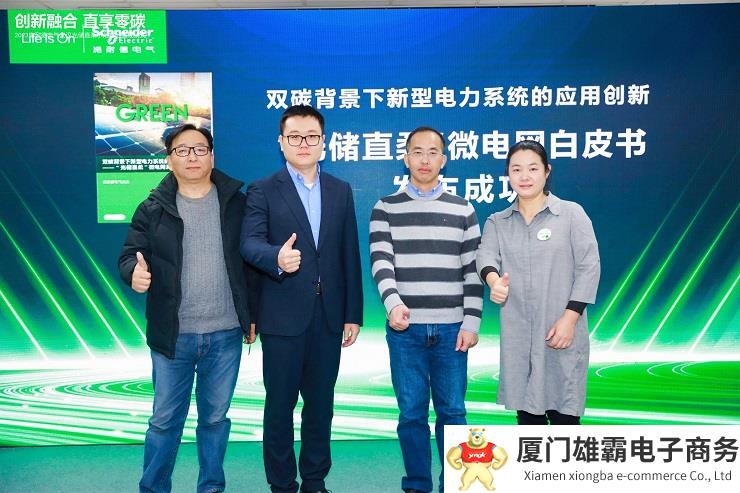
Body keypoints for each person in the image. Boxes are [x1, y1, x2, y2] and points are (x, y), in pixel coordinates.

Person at [118, 123, 256, 493]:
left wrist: (251, 315)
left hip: (225, 334)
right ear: (170, 159)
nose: (192, 157)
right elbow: (129, 255)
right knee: (164, 421)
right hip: (173, 336)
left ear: (212, 156)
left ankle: (211, 487)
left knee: (215, 420)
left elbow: (251, 264)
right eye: (182, 150)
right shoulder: (152, 209)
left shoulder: (237, 205)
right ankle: (154, 488)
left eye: (199, 149)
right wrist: (134, 274)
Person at [240, 104, 363, 493]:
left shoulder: (340, 190)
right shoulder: (262, 189)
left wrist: (353, 313)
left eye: (311, 136)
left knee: (321, 406)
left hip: (328, 317)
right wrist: (276, 258)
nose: (303, 143)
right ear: (281, 142)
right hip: (282, 316)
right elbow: (249, 244)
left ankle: (314, 480)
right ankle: (281, 484)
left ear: (323, 142)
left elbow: (348, 253)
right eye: (294, 136)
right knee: (280, 407)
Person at [369, 126, 483, 493]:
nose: (425, 159)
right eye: (417, 152)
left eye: (433, 152)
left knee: (453, 412)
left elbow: (473, 270)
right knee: (411, 414)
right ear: (406, 158)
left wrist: (471, 322)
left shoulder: (463, 208)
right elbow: (381, 263)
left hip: (452, 330)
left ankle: (456, 485)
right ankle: (417, 485)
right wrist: (393, 304)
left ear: (443, 160)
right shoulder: (385, 208)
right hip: (406, 331)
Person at [476, 140, 600, 425]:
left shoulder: (571, 214)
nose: (525, 176)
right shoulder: (498, 222)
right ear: (508, 175)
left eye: (533, 168)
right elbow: (485, 257)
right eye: (516, 169)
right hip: (519, 334)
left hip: (561, 330)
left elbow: (589, 267)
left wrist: (570, 318)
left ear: (547, 171)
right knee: (528, 420)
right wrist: (494, 281)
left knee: (564, 418)